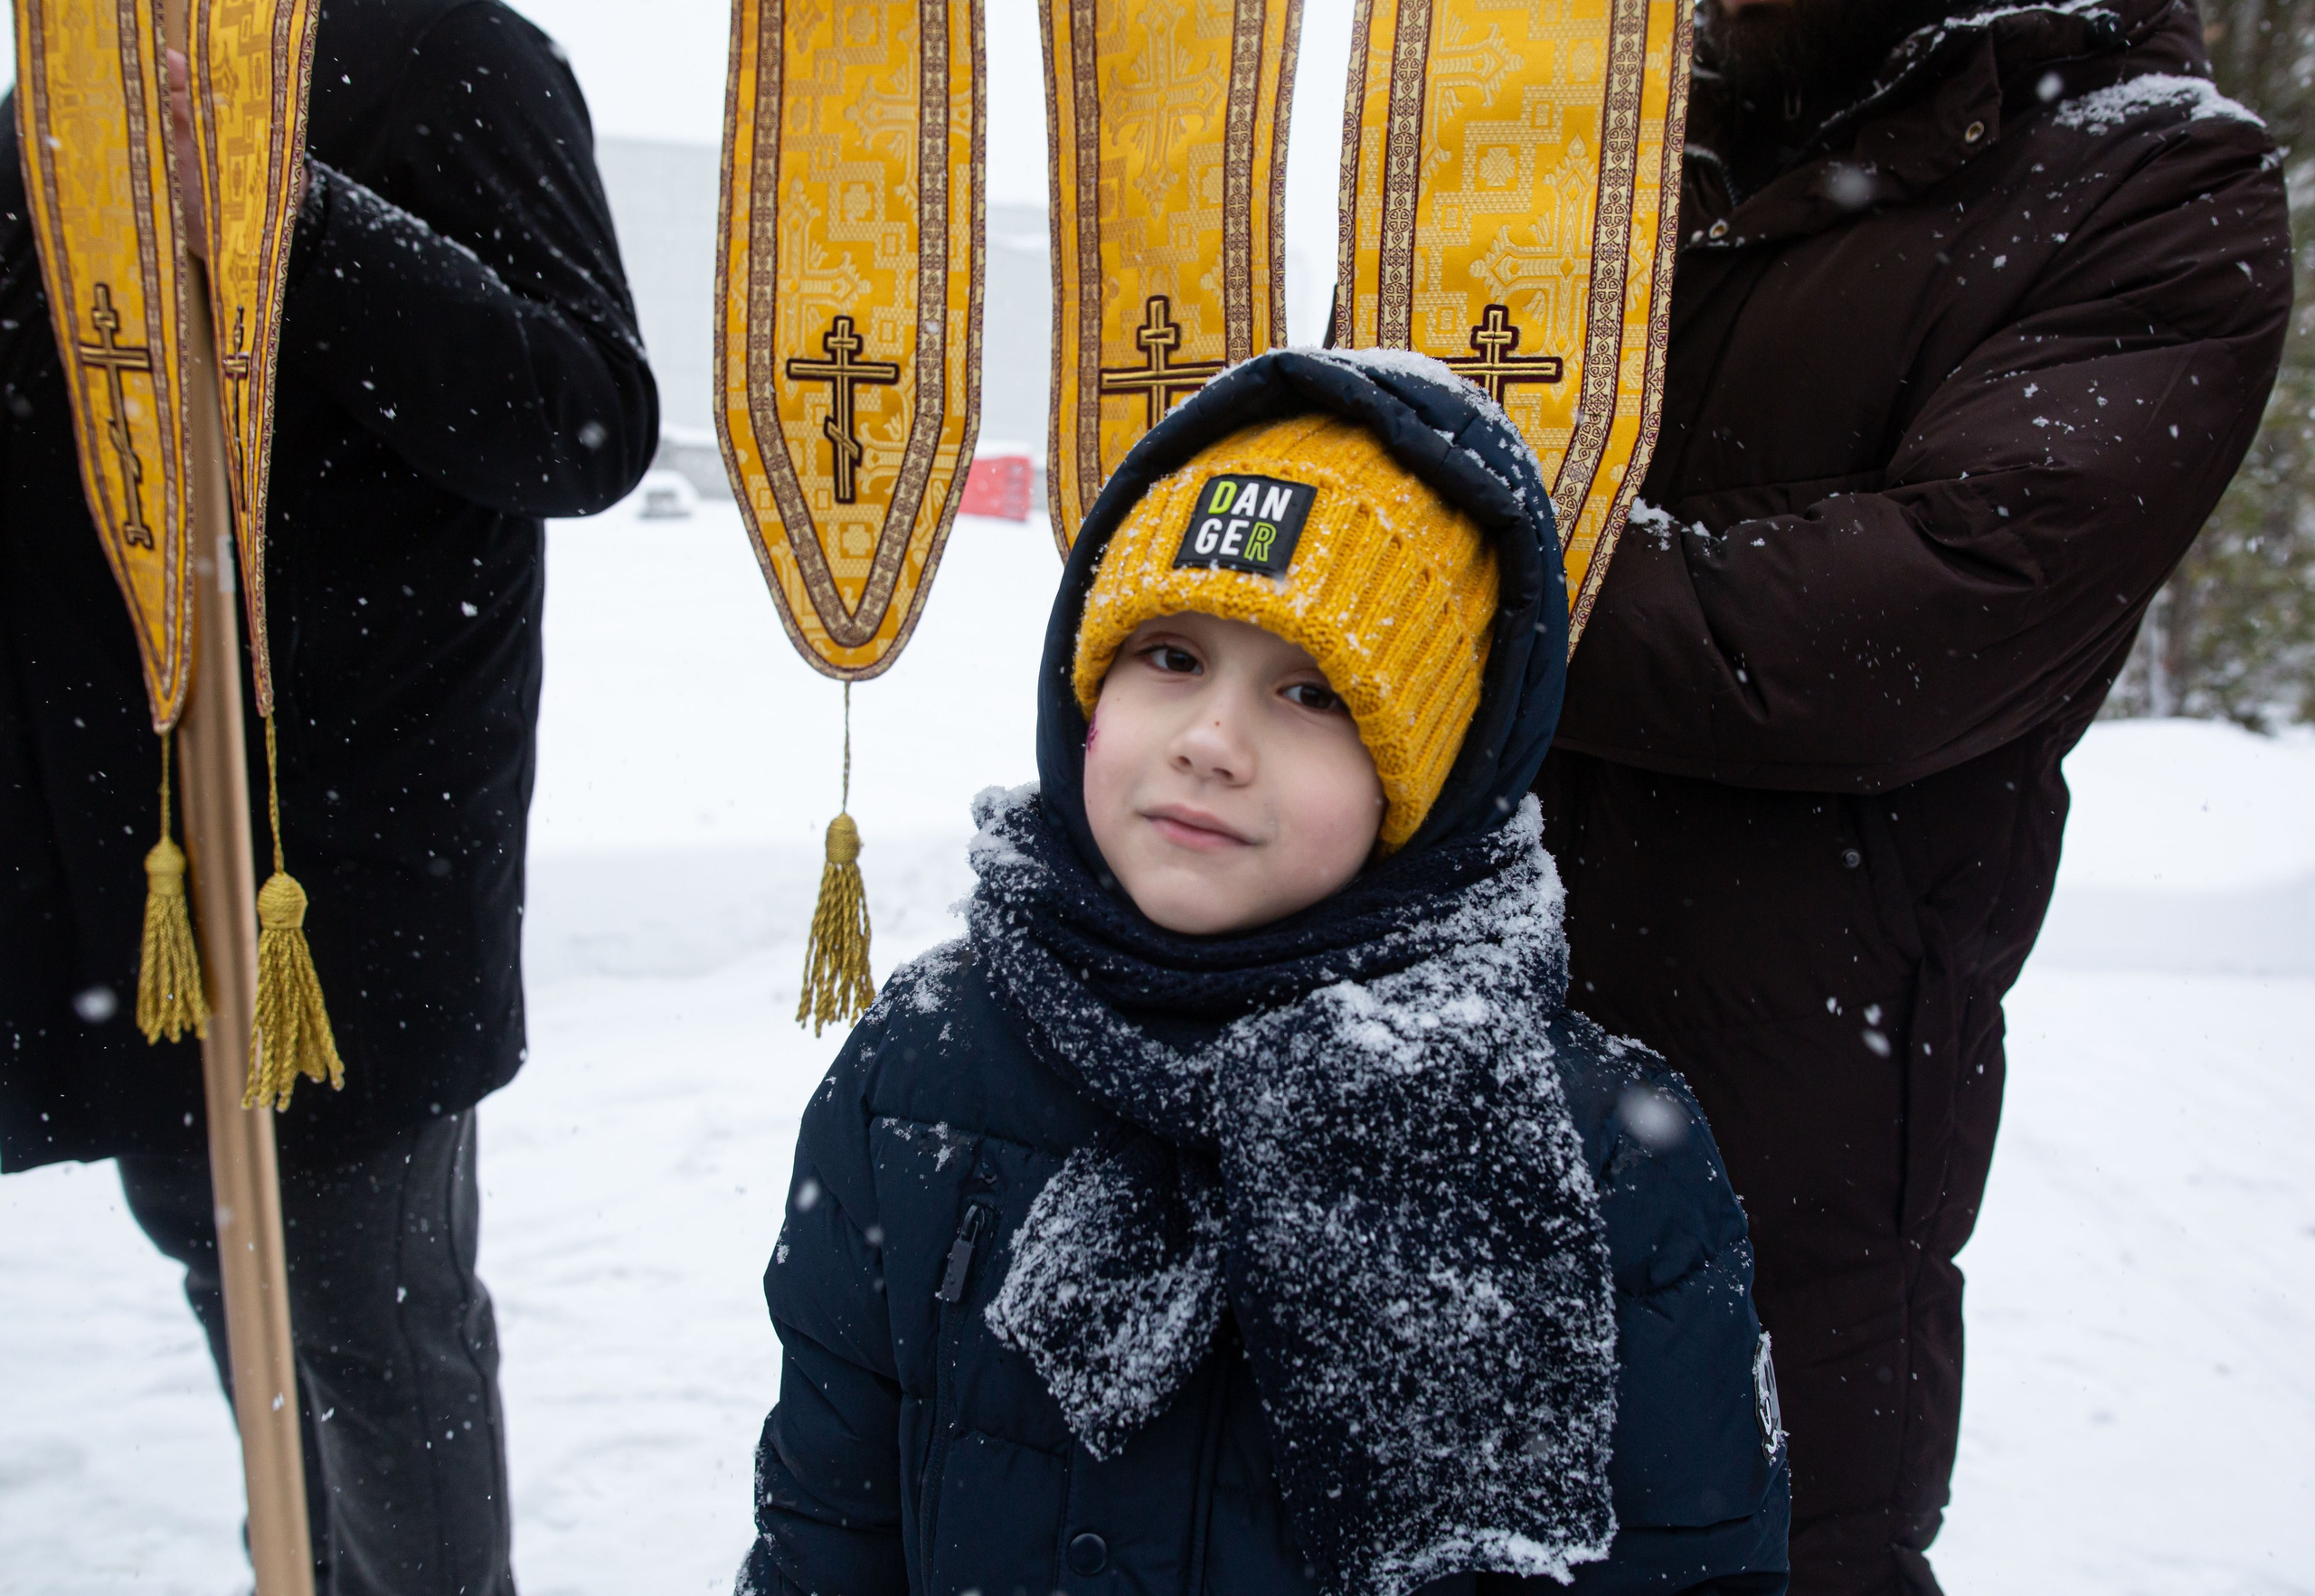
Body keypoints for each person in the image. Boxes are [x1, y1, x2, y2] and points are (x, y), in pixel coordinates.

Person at [739, 349, 1791, 1595]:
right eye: (1170, 657)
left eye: (1311, 691)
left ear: (1436, 777)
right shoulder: (919, 1066)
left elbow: (1691, 1569)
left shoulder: (1598, 1152)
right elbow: (826, 1529)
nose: (1212, 742)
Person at [1530, 0, 2293, 1591]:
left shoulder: (2151, 178)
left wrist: (1468, 564)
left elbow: (1936, 609)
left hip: (1792, 1072)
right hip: (1419, 981)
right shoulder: (1597, 116)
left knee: (1751, 1535)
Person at [0, 1, 657, 1591]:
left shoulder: (452, 55)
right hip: (122, 843)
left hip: (347, 858)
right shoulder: (75, 63)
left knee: (370, 1314)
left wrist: (277, 205)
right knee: (222, 1260)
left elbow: (583, 417)